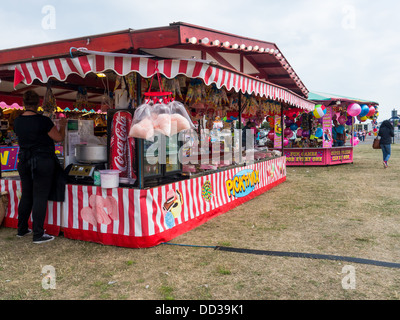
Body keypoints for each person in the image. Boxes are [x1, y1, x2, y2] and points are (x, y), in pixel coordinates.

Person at [13, 90, 67, 244]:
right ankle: (38, 234)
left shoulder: (17, 121)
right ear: (38, 103)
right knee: (40, 196)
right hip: (42, 161)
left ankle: (22, 229)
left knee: (27, 194)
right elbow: (59, 138)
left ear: (23, 103)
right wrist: (62, 125)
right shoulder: (43, 121)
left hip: (24, 160)